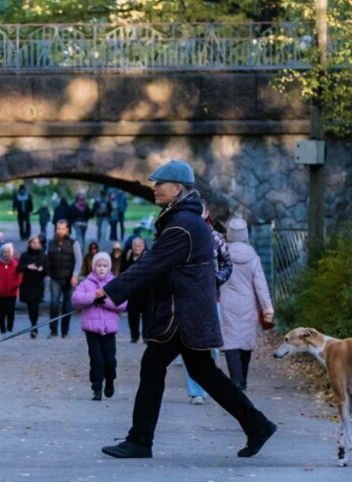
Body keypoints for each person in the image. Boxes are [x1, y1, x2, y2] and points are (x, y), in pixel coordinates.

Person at [94, 159, 276, 460]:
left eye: (160, 184)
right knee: (202, 372)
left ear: (177, 188)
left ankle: (140, 440)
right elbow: (155, 264)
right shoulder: (183, 220)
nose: (154, 188)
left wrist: (109, 290)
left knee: (158, 367)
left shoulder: (184, 226)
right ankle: (256, 424)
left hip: (182, 314)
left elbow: (151, 265)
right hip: (185, 312)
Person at [183, 200, 233, 404]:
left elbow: (227, 264)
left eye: (200, 209)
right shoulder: (184, 236)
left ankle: (211, 385)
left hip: (212, 297)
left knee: (210, 345)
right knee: (189, 344)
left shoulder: (216, 237)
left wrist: (216, 278)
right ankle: (195, 391)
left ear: (206, 212)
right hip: (189, 297)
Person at [219, 218, 274, 390]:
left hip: (228, 302)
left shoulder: (223, 253)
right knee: (246, 340)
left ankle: (235, 380)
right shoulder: (253, 257)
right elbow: (261, 285)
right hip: (249, 302)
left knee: (230, 340)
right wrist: (267, 308)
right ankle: (243, 378)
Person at [72, 252, 127, 401]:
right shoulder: (86, 283)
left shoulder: (114, 283)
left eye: (104, 266)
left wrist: (104, 301)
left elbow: (122, 304)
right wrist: (92, 296)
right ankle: (96, 388)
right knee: (96, 359)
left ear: (109, 267)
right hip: (92, 329)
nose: (101, 268)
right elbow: (76, 299)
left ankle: (109, 380)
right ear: (93, 266)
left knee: (110, 360)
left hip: (109, 330)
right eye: (98, 265)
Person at [45, 219, 82, 338]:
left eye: (62, 228)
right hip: (55, 277)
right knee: (54, 304)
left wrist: (75, 275)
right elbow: (47, 259)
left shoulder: (73, 243)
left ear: (67, 230)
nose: (60, 231)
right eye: (58, 228)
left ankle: (65, 332)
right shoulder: (50, 243)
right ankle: (53, 330)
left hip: (69, 278)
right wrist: (47, 275)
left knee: (67, 305)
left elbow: (79, 260)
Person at [120, 236, 151, 343]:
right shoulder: (128, 256)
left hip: (146, 292)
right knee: (132, 315)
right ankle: (134, 336)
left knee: (147, 316)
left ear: (143, 247)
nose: (137, 248)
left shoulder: (148, 256)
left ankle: (146, 336)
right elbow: (122, 271)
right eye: (135, 246)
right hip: (132, 292)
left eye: (139, 246)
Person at [17, 235, 47, 338]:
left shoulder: (43, 256)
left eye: (37, 243)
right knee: (30, 307)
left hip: (38, 284)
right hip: (27, 284)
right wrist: (27, 266)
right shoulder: (24, 255)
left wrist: (42, 269)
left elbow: (47, 270)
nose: (35, 245)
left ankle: (34, 327)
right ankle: (33, 325)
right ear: (29, 243)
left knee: (35, 306)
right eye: (33, 243)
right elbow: (18, 268)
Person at [0, 243, 21, 336]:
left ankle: (10, 330)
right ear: (1, 253)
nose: (6, 254)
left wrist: (15, 285)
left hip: (12, 293)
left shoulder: (15, 265)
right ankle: (2, 331)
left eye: (8, 252)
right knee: (1, 313)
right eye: (4, 252)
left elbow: (19, 278)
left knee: (10, 312)